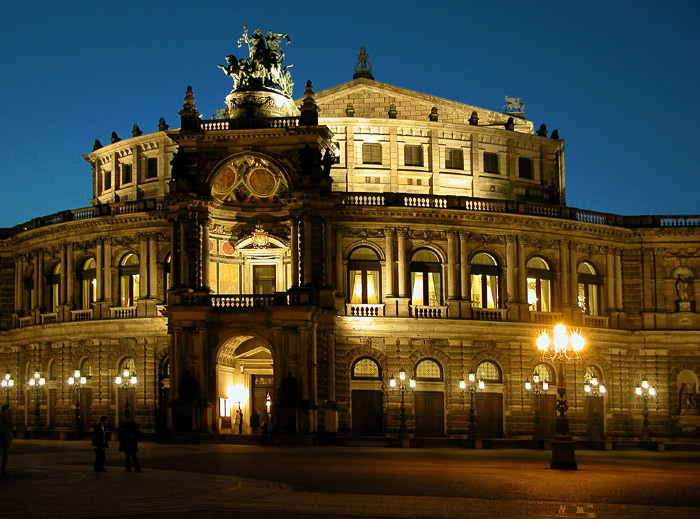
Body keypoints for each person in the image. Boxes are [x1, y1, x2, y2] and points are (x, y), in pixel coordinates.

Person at [0, 405, 13, 475]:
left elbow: (11, 425)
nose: (4, 411)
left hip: (7, 438)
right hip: (0, 437)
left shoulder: (9, 418)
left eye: (5, 410)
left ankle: (2, 469)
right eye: (3, 410)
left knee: (5, 455)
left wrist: (5, 418)